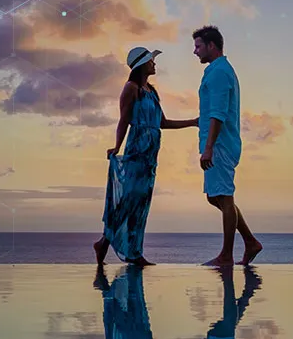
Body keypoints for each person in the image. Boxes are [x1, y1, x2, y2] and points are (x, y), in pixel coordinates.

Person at [95, 46, 199, 266]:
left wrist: (193, 122)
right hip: (137, 149)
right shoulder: (131, 88)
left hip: (151, 154)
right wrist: (116, 146)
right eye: (151, 61)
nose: (155, 64)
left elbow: (162, 123)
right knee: (130, 199)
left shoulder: (151, 91)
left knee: (141, 202)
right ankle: (106, 242)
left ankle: (133, 252)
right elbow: (123, 120)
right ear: (142, 64)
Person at [192, 25, 263, 267]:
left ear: (212, 46)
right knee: (217, 198)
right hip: (217, 142)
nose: (195, 51)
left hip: (220, 144)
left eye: (198, 46)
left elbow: (219, 113)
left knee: (224, 196)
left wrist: (209, 147)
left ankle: (227, 255)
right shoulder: (216, 70)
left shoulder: (220, 72)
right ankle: (250, 241)